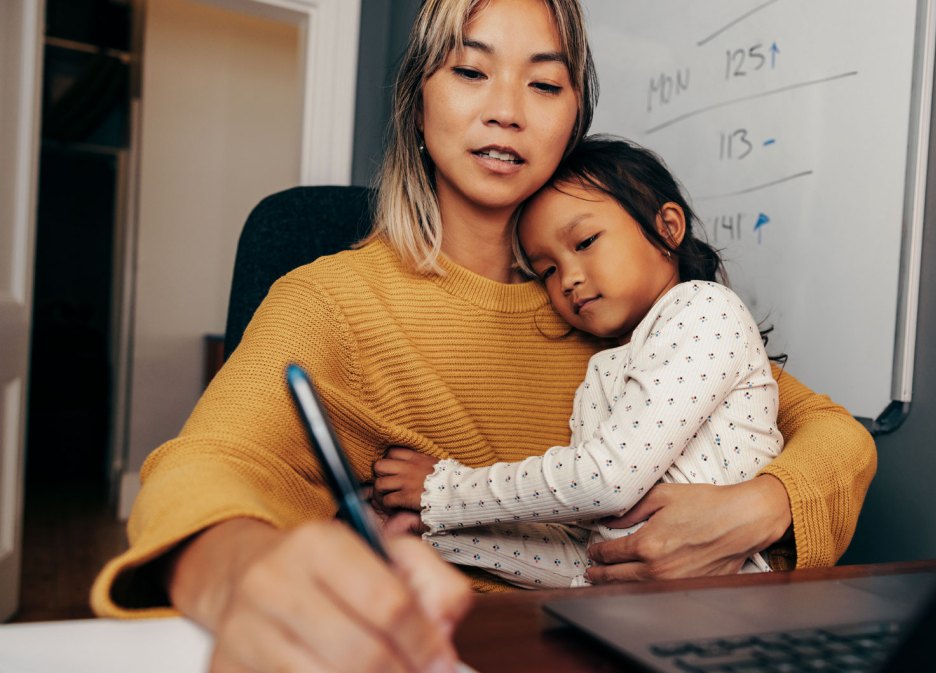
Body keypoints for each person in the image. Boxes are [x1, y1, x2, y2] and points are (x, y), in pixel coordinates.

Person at [90, 0, 876, 671]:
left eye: (544, 82)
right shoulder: (332, 300)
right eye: (471, 72)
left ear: (574, 119)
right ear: (418, 100)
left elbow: (829, 430)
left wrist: (757, 508)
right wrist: (238, 575)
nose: (507, 108)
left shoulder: (620, 307)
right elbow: (208, 463)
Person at [373, 136, 785, 589]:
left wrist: (441, 492)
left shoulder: (705, 309)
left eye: (585, 241)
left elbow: (607, 480)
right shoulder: (602, 370)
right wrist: (432, 536)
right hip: (632, 618)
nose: (567, 278)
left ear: (667, 227)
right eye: (546, 269)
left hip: (725, 608)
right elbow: (594, 560)